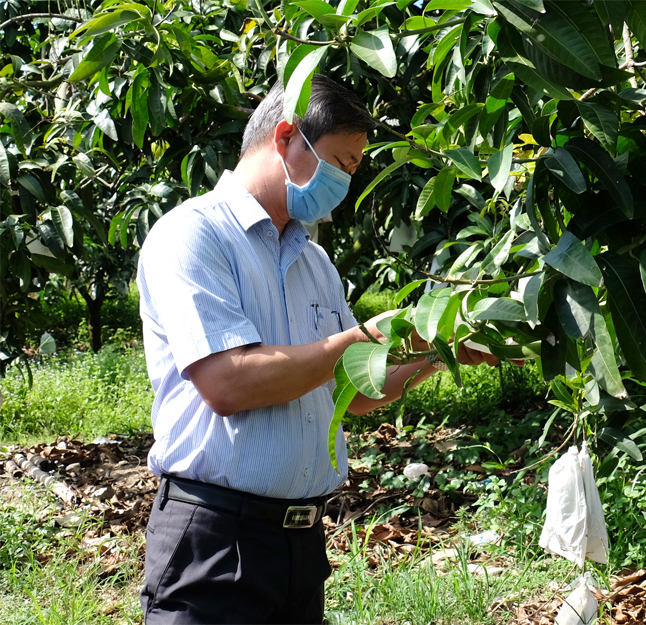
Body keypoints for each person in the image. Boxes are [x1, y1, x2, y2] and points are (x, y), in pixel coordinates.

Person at [136, 76, 497, 624]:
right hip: (214, 539)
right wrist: (358, 339)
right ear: (285, 138)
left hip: (301, 546)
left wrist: (437, 350)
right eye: (341, 161)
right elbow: (228, 383)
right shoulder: (192, 236)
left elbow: (353, 391)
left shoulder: (314, 262)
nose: (346, 179)